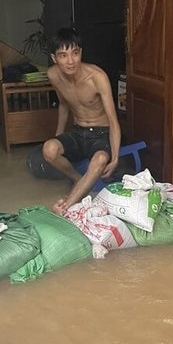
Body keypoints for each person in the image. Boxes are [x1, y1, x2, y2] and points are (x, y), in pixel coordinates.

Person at [42, 28, 121, 215]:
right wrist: (58, 136)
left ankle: (67, 206)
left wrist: (115, 158)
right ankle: (78, 179)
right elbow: (63, 105)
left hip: (101, 133)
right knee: (49, 149)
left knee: (101, 159)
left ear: (80, 54)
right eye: (63, 55)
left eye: (75, 54)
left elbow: (113, 120)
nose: (70, 61)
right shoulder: (53, 75)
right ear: (55, 58)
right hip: (77, 131)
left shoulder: (97, 77)